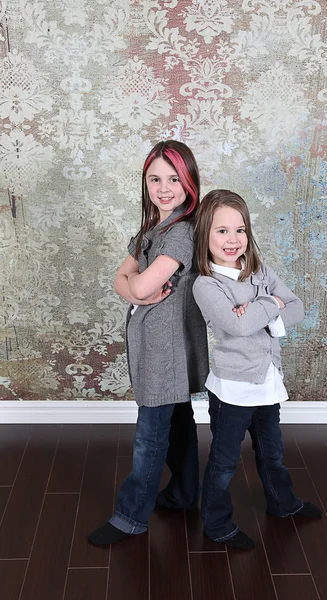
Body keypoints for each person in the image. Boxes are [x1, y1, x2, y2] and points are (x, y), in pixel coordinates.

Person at [88, 141, 209, 546]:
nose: (164, 187)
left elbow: (135, 281)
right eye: (155, 178)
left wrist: (134, 289)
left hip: (167, 349)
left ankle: (130, 517)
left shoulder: (180, 234)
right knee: (177, 424)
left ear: (189, 181)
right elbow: (119, 279)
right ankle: (184, 493)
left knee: (150, 436)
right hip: (158, 345)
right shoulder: (151, 230)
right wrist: (135, 291)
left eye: (173, 179)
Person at [192, 189, 322, 550]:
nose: (232, 239)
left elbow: (296, 308)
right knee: (224, 460)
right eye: (221, 231)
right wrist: (272, 302)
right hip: (233, 387)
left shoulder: (260, 270)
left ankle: (283, 503)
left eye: (239, 230)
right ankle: (216, 523)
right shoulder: (206, 285)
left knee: (271, 451)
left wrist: (261, 308)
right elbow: (237, 327)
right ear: (205, 234)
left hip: (267, 381)